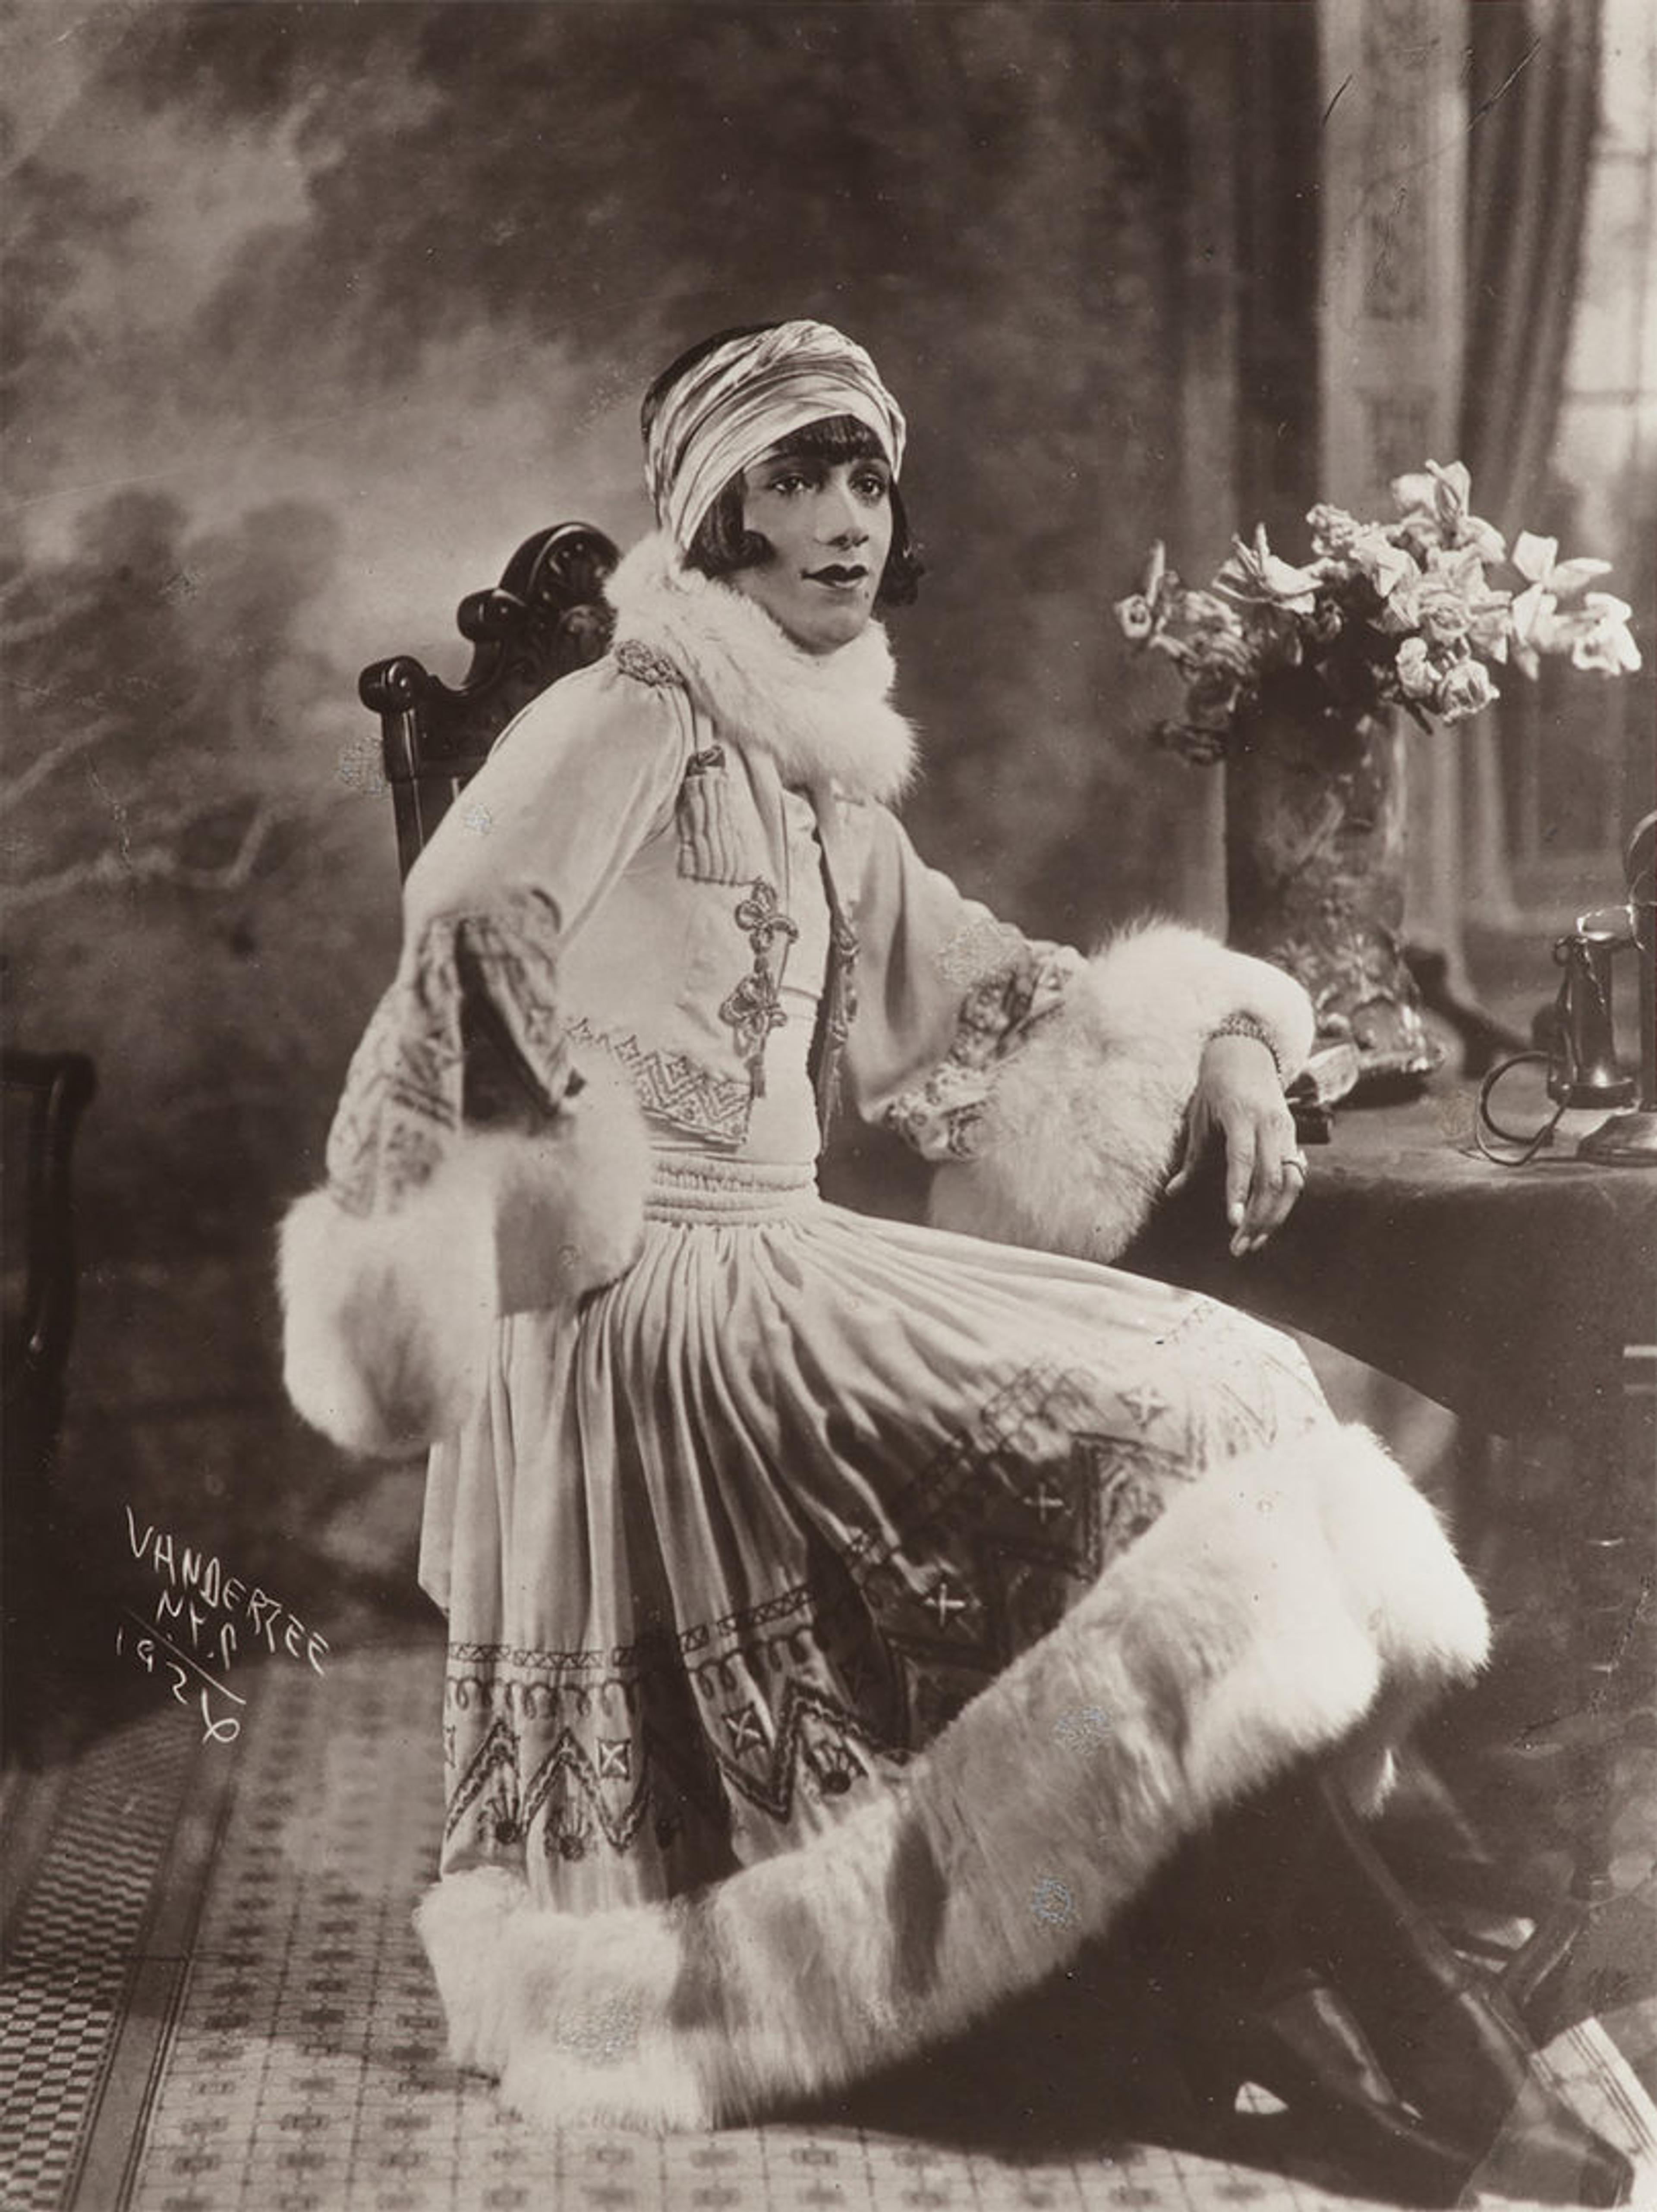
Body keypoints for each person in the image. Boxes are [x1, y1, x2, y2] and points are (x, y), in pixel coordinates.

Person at [279, 321, 1630, 2206]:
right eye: (792, 481)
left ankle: (1260, 1961)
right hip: (640, 1305)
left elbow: (994, 991)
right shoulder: (633, 714)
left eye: (862, 477)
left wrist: (1230, 1036)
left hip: (788, 1252)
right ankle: (1422, 2048)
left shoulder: (816, 761)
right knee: (1144, 1439)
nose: (840, 520)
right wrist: (550, 1175)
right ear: (717, 514)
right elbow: (458, 933)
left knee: (1227, 1382)